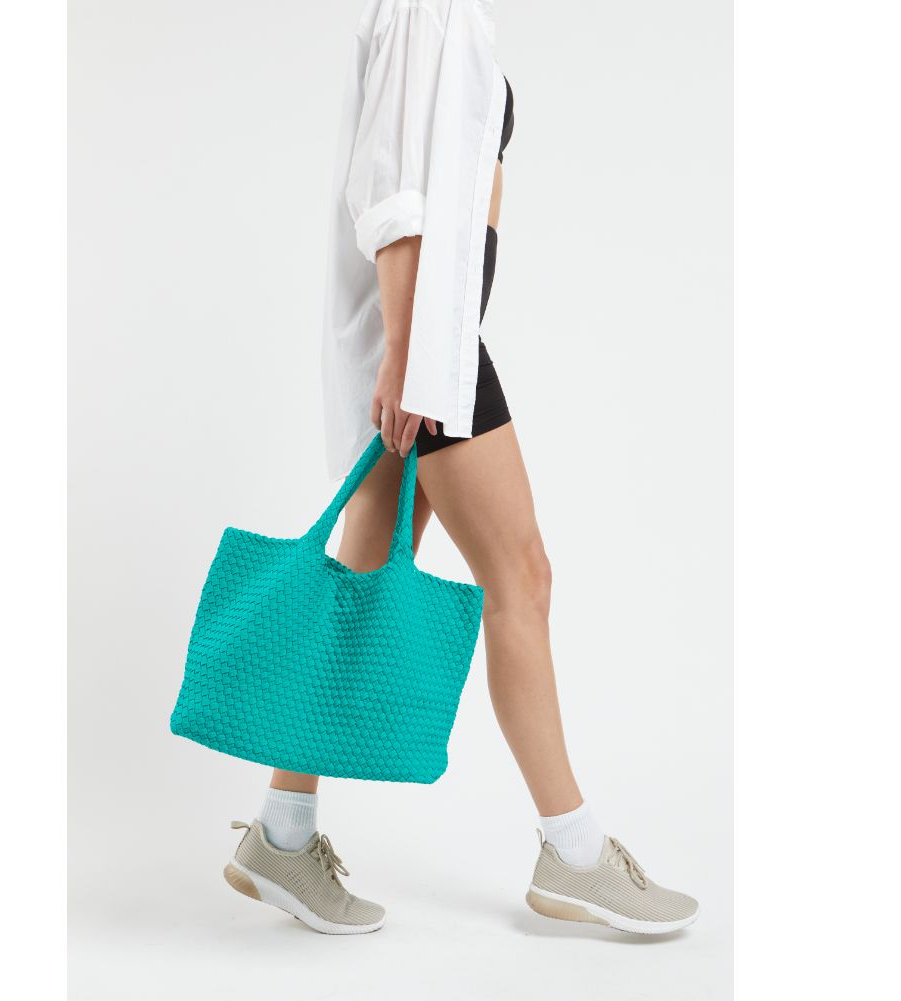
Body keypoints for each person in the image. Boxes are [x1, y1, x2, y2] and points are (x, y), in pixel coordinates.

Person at [224, 0, 698, 935]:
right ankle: (574, 855)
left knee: (360, 583)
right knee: (521, 575)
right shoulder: (423, 7)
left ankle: (281, 830)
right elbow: (394, 190)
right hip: (426, 353)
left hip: (430, 340)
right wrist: (409, 354)